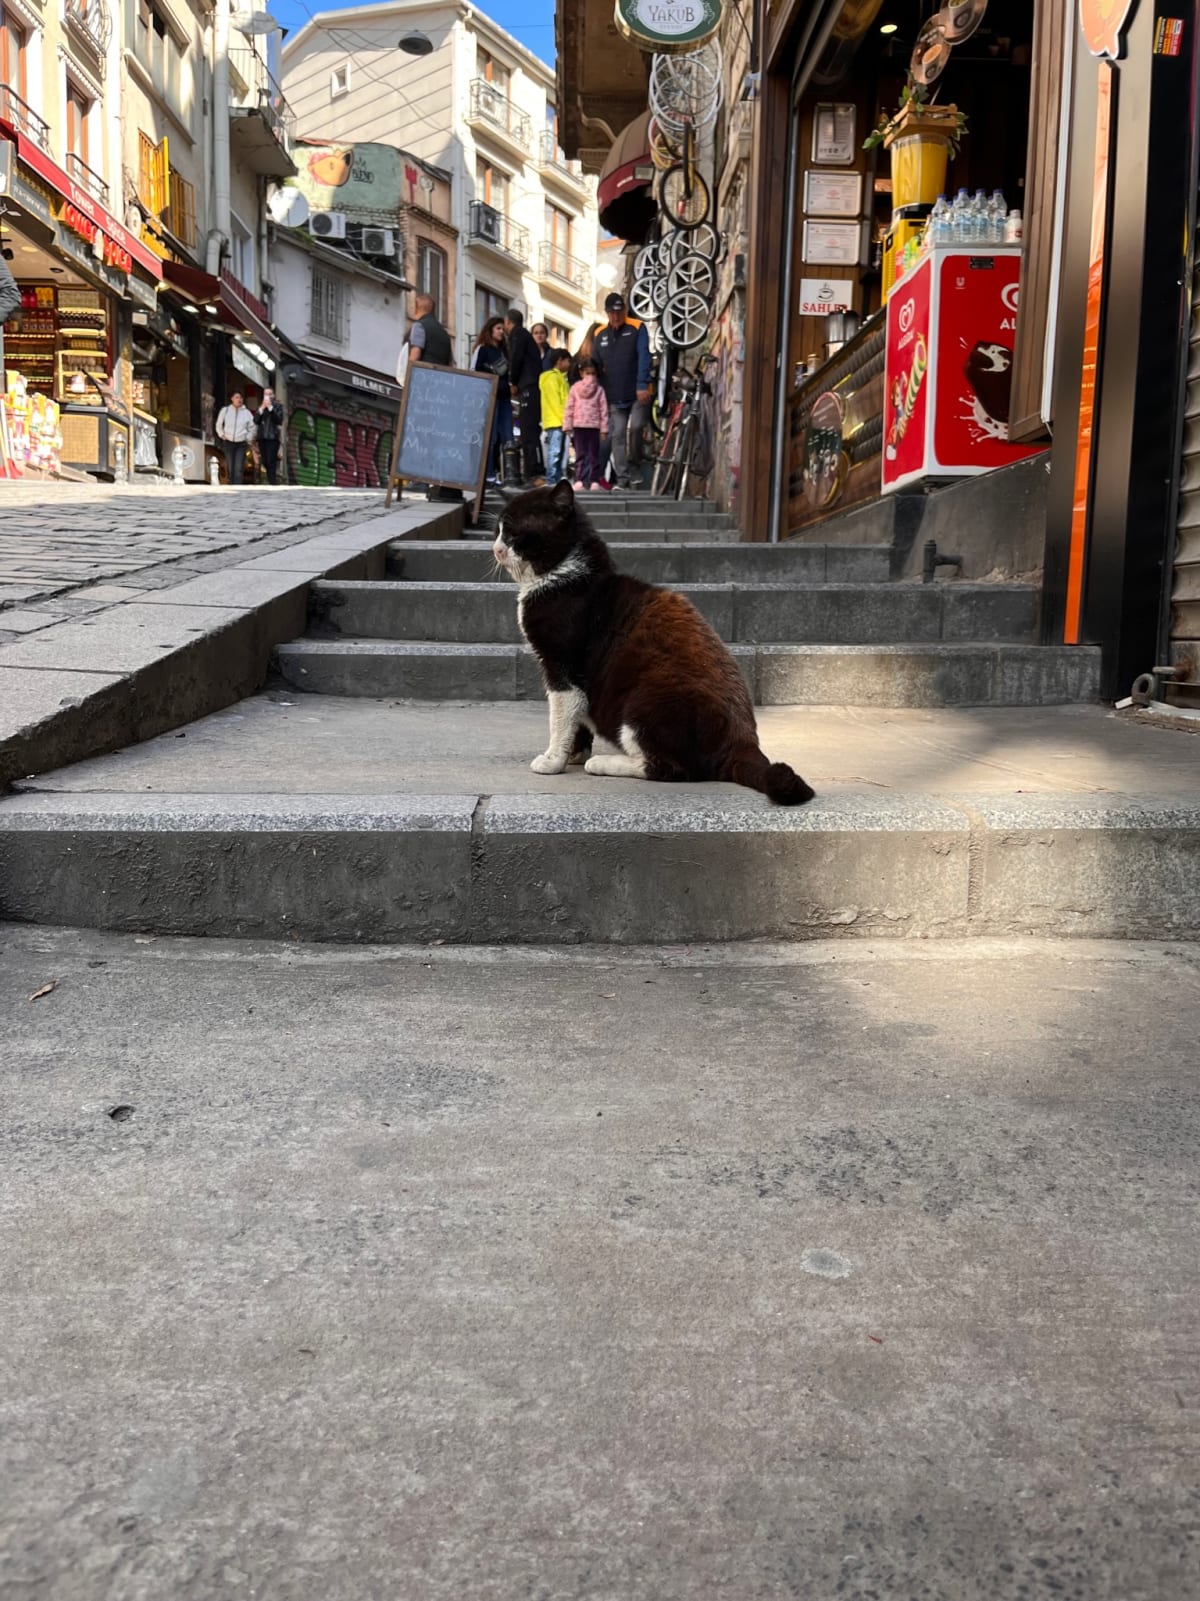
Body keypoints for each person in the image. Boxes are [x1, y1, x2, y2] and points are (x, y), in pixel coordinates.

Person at [586, 292, 652, 490]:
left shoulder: (637, 327)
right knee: (617, 436)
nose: (616, 316)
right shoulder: (599, 334)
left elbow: (644, 357)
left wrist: (642, 384)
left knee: (638, 427)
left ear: (624, 310)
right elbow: (595, 363)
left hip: (637, 391)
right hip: (613, 394)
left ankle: (635, 465)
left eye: (619, 311)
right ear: (606, 313)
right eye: (612, 312)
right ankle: (622, 478)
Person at [504, 306, 545, 482]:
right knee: (529, 430)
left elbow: (516, 358)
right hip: (532, 386)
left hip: (528, 386)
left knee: (529, 431)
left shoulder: (518, 335)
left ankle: (533, 470)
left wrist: (513, 380)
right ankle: (532, 469)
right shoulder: (526, 337)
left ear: (508, 322)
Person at [471, 316, 513, 482]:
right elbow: (474, 371)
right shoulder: (483, 349)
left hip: (504, 398)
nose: (502, 332)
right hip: (489, 397)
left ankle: (508, 475)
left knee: (507, 437)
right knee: (490, 437)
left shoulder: (504, 352)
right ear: (490, 330)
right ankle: (488, 474)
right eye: (498, 328)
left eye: (503, 329)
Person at [563, 357, 608, 491]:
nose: (590, 377)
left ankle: (579, 480)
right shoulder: (599, 390)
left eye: (592, 373)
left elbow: (569, 408)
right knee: (593, 455)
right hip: (593, 426)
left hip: (579, 426)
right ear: (582, 373)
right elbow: (604, 410)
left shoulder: (574, 388)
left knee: (581, 455)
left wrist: (567, 425)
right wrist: (604, 429)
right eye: (588, 373)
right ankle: (593, 480)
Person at [539, 347, 571, 485]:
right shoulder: (552, 378)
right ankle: (552, 478)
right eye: (568, 361)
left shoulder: (561, 378)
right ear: (559, 361)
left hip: (559, 420)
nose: (569, 364)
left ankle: (556, 478)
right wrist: (565, 419)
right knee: (555, 451)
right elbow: (555, 401)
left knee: (560, 451)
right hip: (556, 421)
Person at [214, 391, 256, 484]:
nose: (239, 400)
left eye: (241, 398)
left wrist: (247, 438)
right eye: (237, 397)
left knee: (238, 468)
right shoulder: (225, 411)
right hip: (228, 442)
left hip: (241, 443)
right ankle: (231, 485)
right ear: (232, 399)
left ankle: (237, 486)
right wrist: (221, 435)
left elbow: (252, 427)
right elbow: (218, 424)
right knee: (230, 467)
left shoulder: (246, 413)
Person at [407, 292, 453, 368]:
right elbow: (450, 363)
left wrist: (407, 372)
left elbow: (415, 354)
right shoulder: (444, 333)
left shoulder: (419, 326)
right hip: (441, 377)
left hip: (423, 374)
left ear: (417, 308)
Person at [254, 387, 284, 485]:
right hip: (262, 437)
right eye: (265, 394)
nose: (268, 396)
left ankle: (272, 482)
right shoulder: (261, 406)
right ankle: (271, 480)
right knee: (265, 461)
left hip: (273, 437)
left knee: (271, 460)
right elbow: (255, 420)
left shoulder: (278, 406)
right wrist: (262, 409)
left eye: (269, 394)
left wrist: (271, 408)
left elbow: (278, 420)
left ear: (273, 395)